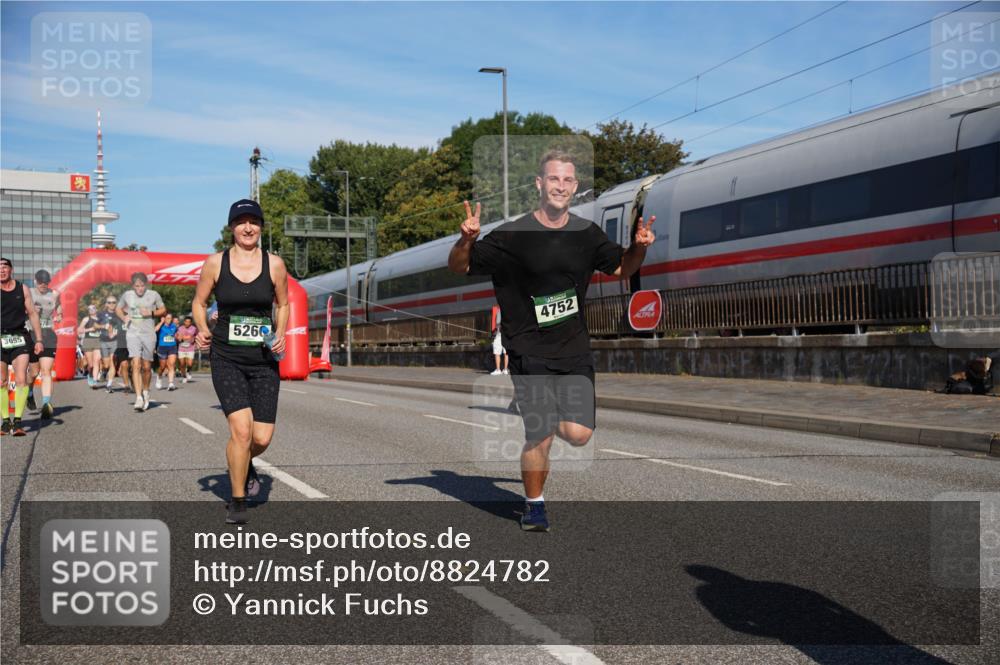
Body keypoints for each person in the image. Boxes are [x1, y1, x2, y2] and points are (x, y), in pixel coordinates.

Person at [448, 150, 656, 532]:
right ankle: (534, 505)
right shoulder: (513, 235)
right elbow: (460, 266)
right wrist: (466, 240)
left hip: (574, 348)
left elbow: (622, 267)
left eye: (567, 180)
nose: (560, 186)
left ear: (574, 187)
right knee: (540, 432)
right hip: (528, 349)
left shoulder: (586, 234)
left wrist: (640, 246)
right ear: (539, 184)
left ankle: (537, 411)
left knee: (578, 435)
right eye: (553, 179)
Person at [193, 199, 289, 525]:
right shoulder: (215, 263)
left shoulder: (274, 264)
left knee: (261, 438)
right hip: (226, 356)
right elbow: (199, 301)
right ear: (231, 227)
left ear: (261, 226)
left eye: (254, 222)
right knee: (242, 431)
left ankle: (243, 463)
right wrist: (203, 328)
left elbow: (285, 304)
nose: (248, 228)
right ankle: (237, 500)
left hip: (263, 359)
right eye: (241, 222)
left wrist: (281, 331)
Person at [1, 258, 45, 436]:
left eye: (5, 267)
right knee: (2, 381)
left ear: (11, 270)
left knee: (21, 379)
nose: (1, 270)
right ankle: (5, 422)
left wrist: (39, 339)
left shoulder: (22, 289)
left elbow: (33, 314)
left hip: (19, 336)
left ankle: (17, 422)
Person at [116, 272, 166, 411]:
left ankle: (145, 392)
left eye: (142, 286)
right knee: (135, 364)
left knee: (146, 367)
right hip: (132, 334)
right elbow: (118, 309)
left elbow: (163, 310)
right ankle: (138, 397)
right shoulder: (127, 295)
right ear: (133, 286)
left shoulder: (154, 295)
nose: (140, 289)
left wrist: (151, 313)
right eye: (137, 286)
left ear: (146, 285)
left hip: (148, 334)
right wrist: (124, 317)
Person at [27, 270, 62, 418]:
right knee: (34, 372)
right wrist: (29, 310)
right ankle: (29, 392)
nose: (43, 285)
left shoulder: (54, 294)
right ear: (35, 281)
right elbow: (16, 310)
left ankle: (46, 405)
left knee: (46, 370)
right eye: (40, 282)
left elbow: (59, 307)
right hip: (31, 334)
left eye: (46, 282)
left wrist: (60, 314)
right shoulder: (28, 293)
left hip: (48, 334)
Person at [97, 295, 121, 392]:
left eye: (114, 302)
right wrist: (103, 326)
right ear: (106, 304)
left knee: (112, 361)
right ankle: (104, 371)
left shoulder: (120, 314)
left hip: (115, 341)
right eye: (110, 302)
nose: (112, 304)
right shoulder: (101, 314)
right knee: (106, 364)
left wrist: (118, 332)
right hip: (104, 340)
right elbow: (95, 324)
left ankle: (109, 384)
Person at [77, 304, 104, 389]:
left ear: (96, 310)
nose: (91, 310)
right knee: (91, 365)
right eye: (89, 309)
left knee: (97, 361)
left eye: (93, 308)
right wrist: (89, 329)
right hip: (88, 341)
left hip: (98, 341)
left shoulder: (101, 320)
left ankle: (95, 381)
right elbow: (79, 330)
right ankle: (90, 375)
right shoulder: (86, 319)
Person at [154, 313, 179, 391]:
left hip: (172, 347)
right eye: (167, 318)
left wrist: (178, 337)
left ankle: (171, 383)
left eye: (170, 318)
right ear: (164, 318)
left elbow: (176, 334)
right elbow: (155, 330)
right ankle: (159, 377)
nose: (169, 320)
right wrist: (161, 322)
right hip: (162, 347)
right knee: (162, 366)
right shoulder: (161, 326)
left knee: (171, 365)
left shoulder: (174, 326)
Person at [176, 315, 198, 382]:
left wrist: (183, 337)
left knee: (190, 364)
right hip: (181, 348)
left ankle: (188, 371)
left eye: (189, 322)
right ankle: (184, 377)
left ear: (191, 323)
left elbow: (190, 337)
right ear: (184, 322)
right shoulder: (180, 328)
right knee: (182, 364)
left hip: (190, 348)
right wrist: (180, 337)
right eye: (186, 321)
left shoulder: (193, 328)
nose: (187, 323)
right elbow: (178, 337)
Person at [490, 303, 509, 376]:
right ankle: (505, 369)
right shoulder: (509, 311)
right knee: (506, 352)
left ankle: (498, 370)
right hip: (507, 334)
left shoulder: (500, 310)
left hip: (500, 334)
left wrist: (496, 329)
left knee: (497, 352)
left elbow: (498, 322)